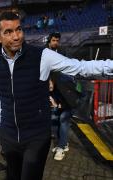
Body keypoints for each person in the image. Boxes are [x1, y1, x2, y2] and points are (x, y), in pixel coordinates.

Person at [0, 11, 113, 180]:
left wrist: (111, 65)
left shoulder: (42, 56)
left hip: (36, 138)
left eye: (18, 29)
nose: (16, 36)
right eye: (8, 32)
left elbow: (80, 67)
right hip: (9, 137)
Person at [47, 32, 72, 160]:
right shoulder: (45, 53)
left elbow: (67, 72)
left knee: (63, 120)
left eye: (57, 40)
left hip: (65, 92)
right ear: (49, 41)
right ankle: (63, 143)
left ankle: (61, 148)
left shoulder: (63, 53)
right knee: (56, 119)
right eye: (53, 40)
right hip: (54, 93)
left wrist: (55, 81)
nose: (55, 42)